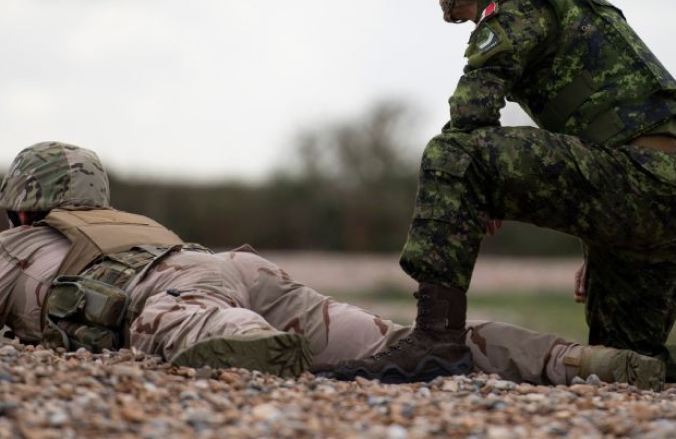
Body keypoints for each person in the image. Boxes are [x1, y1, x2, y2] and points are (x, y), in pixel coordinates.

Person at [334, 0, 676, 384]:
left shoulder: (521, 4)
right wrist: (604, 232)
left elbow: (471, 114)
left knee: (452, 153)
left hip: (643, 188)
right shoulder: (567, 4)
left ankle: (434, 340)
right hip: (651, 197)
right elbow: (623, 135)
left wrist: (477, 185)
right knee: (625, 362)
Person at [0, 141, 665, 389]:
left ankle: (261, 348)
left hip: (173, 289)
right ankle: (578, 362)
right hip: (231, 265)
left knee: (189, 324)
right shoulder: (126, 224)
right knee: (400, 343)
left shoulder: (19, 246)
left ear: (24, 209)